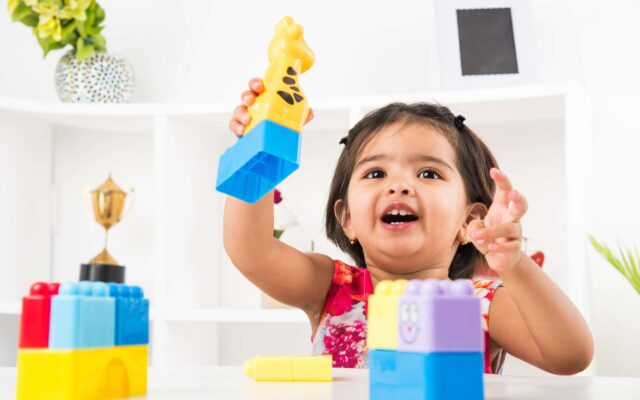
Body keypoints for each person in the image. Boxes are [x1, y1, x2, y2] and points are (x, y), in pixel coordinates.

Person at [224, 78, 594, 374]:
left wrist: (514, 265)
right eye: (376, 172)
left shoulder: (480, 303)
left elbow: (569, 356)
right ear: (348, 218)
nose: (399, 185)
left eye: (428, 173)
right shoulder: (330, 288)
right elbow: (253, 252)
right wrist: (261, 148)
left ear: (469, 221)